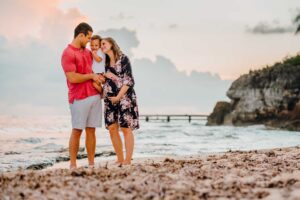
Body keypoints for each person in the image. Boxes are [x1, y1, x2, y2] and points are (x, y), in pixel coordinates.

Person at [61, 22, 103, 169]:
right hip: (78, 98)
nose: (90, 41)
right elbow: (72, 77)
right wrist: (91, 76)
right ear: (80, 35)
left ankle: (91, 164)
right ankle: (73, 164)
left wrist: (99, 80)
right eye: (88, 37)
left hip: (95, 95)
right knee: (77, 130)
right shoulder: (68, 53)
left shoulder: (87, 52)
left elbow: (97, 69)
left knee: (91, 130)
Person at [101, 37, 139, 165]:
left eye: (103, 43)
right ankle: (120, 158)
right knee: (112, 128)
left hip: (124, 98)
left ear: (112, 44)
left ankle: (128, 160)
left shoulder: (123, 59)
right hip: (109, 100)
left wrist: (118, 97)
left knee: (125, 128)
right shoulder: (104, 63)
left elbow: (128, 81)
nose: (101, 46)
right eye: (100, 45)